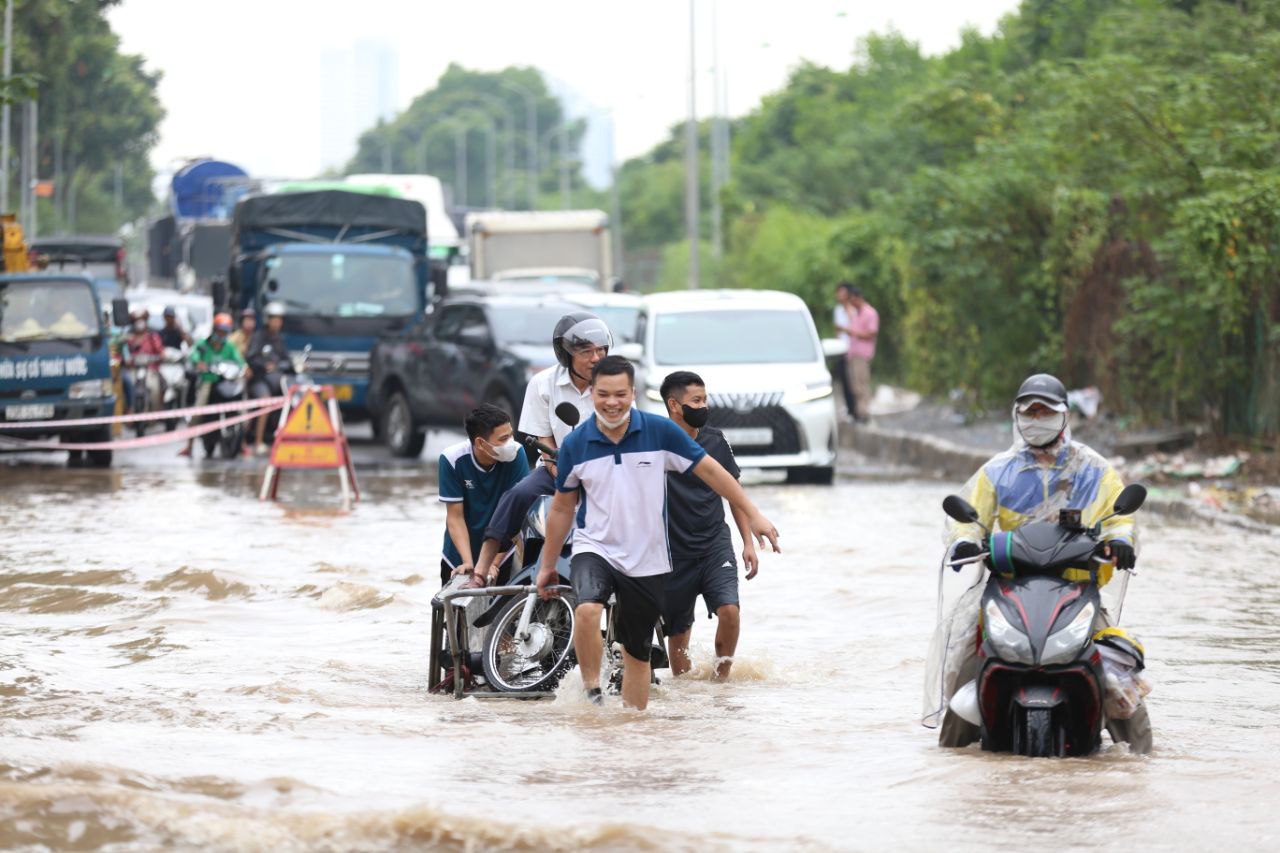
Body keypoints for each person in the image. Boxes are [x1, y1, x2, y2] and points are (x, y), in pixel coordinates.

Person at [536, 356, 781, 710]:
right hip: (596, 546)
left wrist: (754, 515)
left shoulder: (659, 433)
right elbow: (561, 508)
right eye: (603, 394)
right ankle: (592, 693)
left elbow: (713, 473)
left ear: (632, 393)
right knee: (588, 608)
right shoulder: (576, 443)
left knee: (638, 654)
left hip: (648, 557)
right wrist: (547, 563)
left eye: (620, 394)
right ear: (591, 394)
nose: (612, 402)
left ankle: (636, 730)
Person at [927, 373, 1142, 743]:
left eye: (1046, 411)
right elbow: (966, 517)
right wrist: (965, 540)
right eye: (1030, 411)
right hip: (1009, 588)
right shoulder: (998, 471)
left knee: (1120, 681)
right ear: (1018, 416)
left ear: (1064, 415)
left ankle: (1140, 759)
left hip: (1077, 587)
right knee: (961, 660)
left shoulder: (1094, 469)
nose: (1037, 418)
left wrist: (1119, 541)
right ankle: (950, 756)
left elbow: (1120, 516)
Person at [470, 311, 612, 580]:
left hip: (606, 472)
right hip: (556, 467)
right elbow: (541, 438)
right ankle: (481, 568)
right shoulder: (542, 383)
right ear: (566, 353)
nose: (596, 358)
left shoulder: (614, 384)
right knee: (517, 495)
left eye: (601, 350)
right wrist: (560, 470)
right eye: (587, 352)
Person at [659, 371, 758, 682]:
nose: (705, 405)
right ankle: (688, 700)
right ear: (674, 405)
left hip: (714, 543)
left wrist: (748, 542)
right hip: (673, 552)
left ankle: (720, 684)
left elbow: (733, 493)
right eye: (697, 401)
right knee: (679, 637)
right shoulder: (656, 445)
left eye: (705, 399)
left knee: (730, 610)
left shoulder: (715, 439)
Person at [438, 404, 532, 589]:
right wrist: (469, 564)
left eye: (511, 435)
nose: (511, 442)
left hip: (503, 554)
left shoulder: (517, 454)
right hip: (459, 556)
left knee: (504, 615)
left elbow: (517, 515)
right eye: (504, 438)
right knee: (454, 614)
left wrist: (493, 563)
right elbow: (455, 517)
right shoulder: (451, 459)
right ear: (480, 443)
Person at [178, 313, 248, 457]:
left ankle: (242, 443)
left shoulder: (229, 347)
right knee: (198, 411)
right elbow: (194, 355)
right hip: (208, 381)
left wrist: (245, 368)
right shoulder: (203, 344)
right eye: (220, 331)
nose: (222, 334)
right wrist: (199, 363)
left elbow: (239, 361)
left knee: (241, 410)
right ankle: (189, 446)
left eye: (225, 332)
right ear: (214, 330)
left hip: (226, 382)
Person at [246, 302, 292, 455]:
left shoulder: (279, 339)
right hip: (260, 380)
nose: (277, 323)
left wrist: (286, 364)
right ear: (267, 319)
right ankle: (258, 441)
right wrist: (265, 365)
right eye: (274, 319)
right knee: (265, 402)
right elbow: (251, 357)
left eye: (280, 320)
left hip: (278, 381)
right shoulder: (258, 337)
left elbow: (286, 359)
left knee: (292, 399)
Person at [836, 285, 879, 423]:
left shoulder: (870, 313)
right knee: (854, 385)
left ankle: (864, 413)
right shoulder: (856, 313)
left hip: (862, 354)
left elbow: (871, 333)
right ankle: (859, 412)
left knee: (862, 384)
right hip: (852, 354)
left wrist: (853, 333)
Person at [123, 309, 164, 413]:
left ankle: (156, 412)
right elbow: (123, 352)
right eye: (137, 320)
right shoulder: (128, 338)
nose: (139, 323)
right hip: (133, 370)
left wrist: (159, 357)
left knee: (155, 387)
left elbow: (161, 352)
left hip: (150, 369)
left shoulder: (152, 337)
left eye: (141, 320)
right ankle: (129, 410)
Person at [832, 283, 858, 420]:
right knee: (844, 381)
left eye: (842, 293)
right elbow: (837, 331)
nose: (840, 296)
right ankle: (849, 409)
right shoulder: (837, 310)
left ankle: (857, 410)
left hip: (853, 350)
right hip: (841, 349)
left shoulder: (854, 310)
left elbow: (854, 329)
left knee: (854, 381)